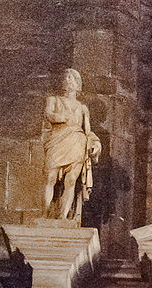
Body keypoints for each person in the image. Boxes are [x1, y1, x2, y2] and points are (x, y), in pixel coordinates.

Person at [42, 68, 101, 220]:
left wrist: (95, 143)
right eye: (66, 78)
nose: (68, 80)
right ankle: (45, 214)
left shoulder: (82, 108)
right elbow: (48, 114)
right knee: (50, 177)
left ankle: (63, 217)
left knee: (71, 180)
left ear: (77, 84)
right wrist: (62, 117)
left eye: (71, 78)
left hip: (77, 142)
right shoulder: (53, 100)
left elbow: (88, 131)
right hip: (58, 139)